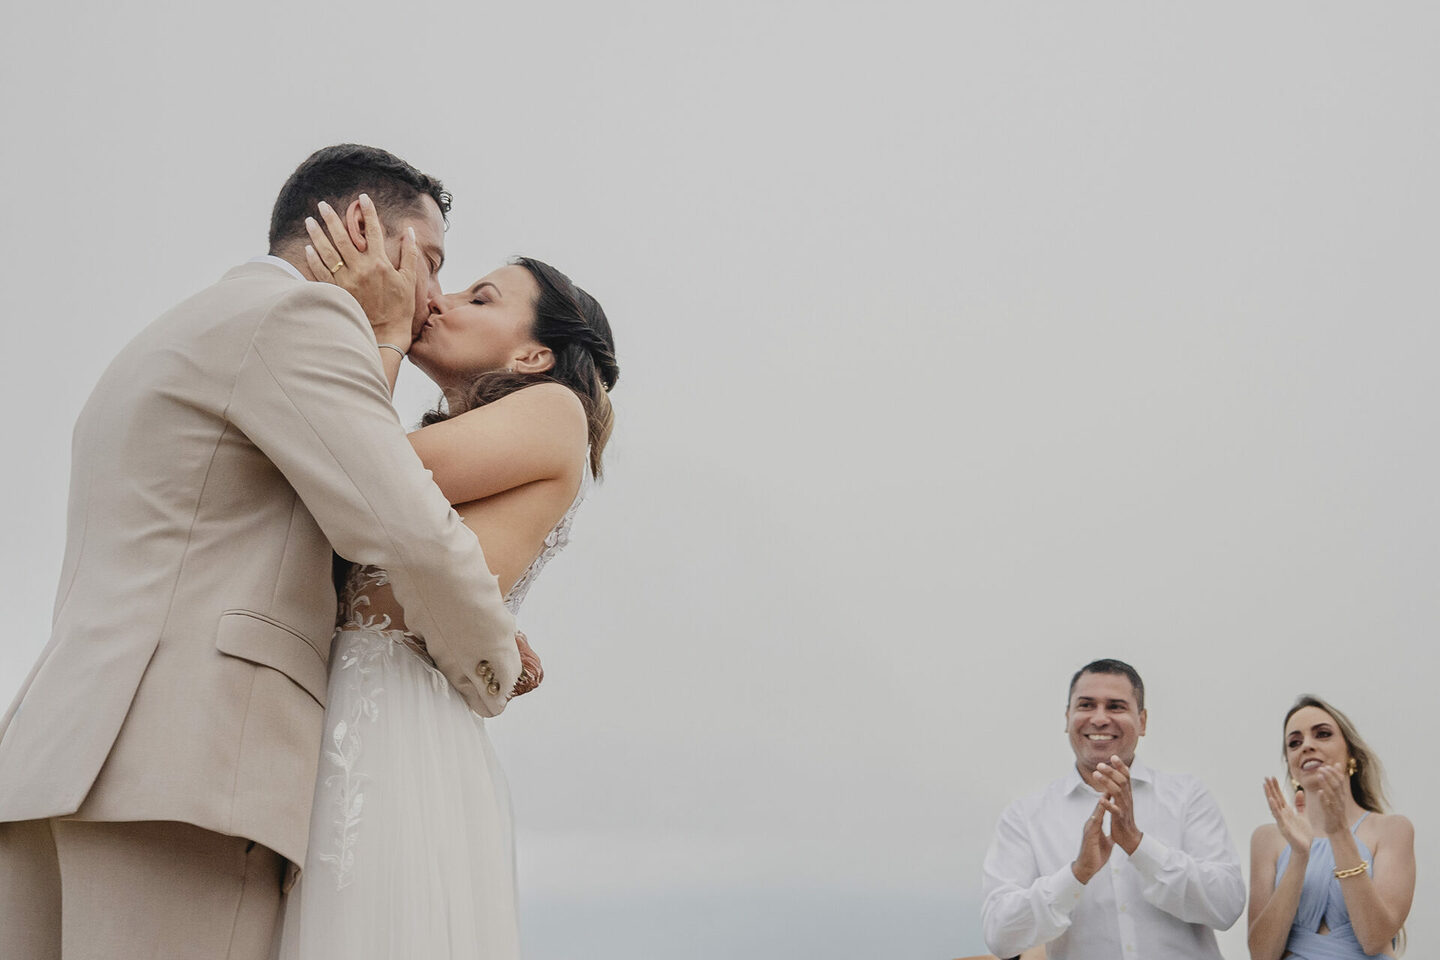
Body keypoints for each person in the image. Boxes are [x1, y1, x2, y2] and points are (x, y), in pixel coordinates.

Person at [0, 144, 524, 960]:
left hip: (52, 767)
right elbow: (403, 524)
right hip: (187, 775)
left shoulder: (170, 335)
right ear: (362, 227)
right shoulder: (301, 319)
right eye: (430, 261)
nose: (433, 296)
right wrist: (493, 663)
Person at [272, 204, 618, 958]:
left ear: (534, 355)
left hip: (393, 724)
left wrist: (385, 335)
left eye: (479, 298)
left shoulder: (555, 409)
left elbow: (361, 468)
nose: (440, 299)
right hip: (331, 710)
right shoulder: (469, 438)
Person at [980, 658, 1245, 960]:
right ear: (1067, 718)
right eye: (1086, 705)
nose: (1099, 718)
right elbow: (1000, 935)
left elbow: (1227, 906)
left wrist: (1138, 845)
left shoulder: (1187, 796)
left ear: (1142, 721)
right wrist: (1077, 874)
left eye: (1116, 706)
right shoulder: (1025, 816)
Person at [1247, 695, 1414, 960]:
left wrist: (1338, 832)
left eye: (1322, 734)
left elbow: (1374, 938)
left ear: (1351, 754)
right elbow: (1261, 954)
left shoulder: (1392, 830)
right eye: (1294, 743)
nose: (1307, 746)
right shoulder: (1267, 839)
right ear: (1291, 766)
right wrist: (1299, 856)